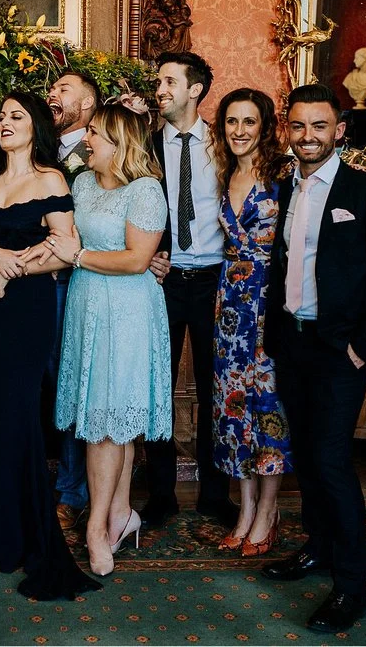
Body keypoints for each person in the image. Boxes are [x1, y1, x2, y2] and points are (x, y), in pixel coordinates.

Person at [262, 83, 366, 633]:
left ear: (339, 131)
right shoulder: (283, 187)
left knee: (330, 461)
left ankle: (351, 587)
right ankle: (319, 547)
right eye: (298, 126)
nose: (308, 136)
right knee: (306, 456)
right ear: (289, 130)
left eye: (319, 126)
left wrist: (363, 346)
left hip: (339, 351)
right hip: (292, 343)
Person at [0, 92, 101, 601]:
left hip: (26, 311)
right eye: (2, 117)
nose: (5, 123)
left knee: (17, 415)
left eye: (16, 116)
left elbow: (64, 251)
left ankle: (21, 534)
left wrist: (8, 272)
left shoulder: (51, 180)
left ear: (35, 126)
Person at [48, 97, 171, 577]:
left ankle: (97, 528)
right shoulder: (80, 182)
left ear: (119, 142)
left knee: (106, 423)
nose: (87, 138)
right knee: (108, 416)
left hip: (127, 310)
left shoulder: (146, 190)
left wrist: (79, 257)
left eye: (95, 132)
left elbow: (137, 260)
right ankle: (121, 514)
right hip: (86, 305)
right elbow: (63, 242)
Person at [145, 52, 238, 529]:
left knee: (214, 388)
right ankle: (160, 494)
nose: (160, 90)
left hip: (213, 281)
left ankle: (214, 495)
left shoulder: (224, 144)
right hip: (161, 281)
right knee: (157, 387)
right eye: (158, 82)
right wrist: (148, 252)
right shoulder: (145, 144)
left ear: (195, 89)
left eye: (169, 82)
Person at [207, 88, 294, 557]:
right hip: (230, 308)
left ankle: (267, 511)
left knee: (268, 406)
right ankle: (245, 510)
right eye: (231, 121)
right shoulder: (225, 174)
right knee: (232, 407)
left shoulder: (284, 176)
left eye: (249, 121)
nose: (239, 131)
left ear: (265, 126)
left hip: (270, 302)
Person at [44, 71, 97, 531]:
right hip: (34, 283)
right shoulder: (40, 147)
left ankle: (72, 490)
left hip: (77, 283)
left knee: (72, 385)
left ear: (89, 102)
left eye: (63, 89)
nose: (53, 94)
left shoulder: (100, 150)